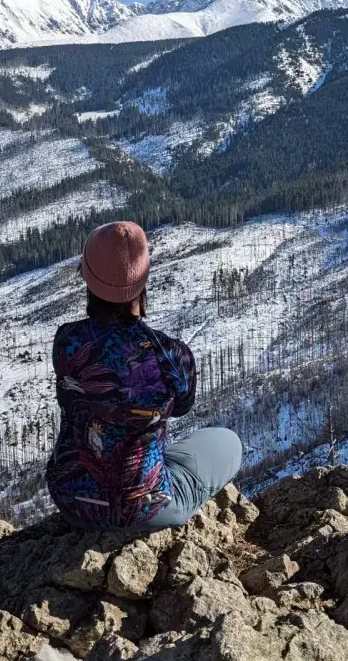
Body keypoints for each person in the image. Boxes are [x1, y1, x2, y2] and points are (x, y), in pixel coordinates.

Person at [46, 221, 243, 529]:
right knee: (228, 442)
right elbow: (181, 406)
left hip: (72, 499)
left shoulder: (67, 342)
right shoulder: (171, 355)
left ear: (87, 278)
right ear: (144, 280)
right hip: (143, 509)